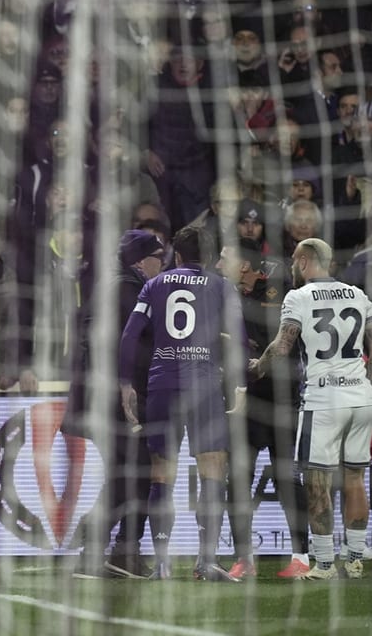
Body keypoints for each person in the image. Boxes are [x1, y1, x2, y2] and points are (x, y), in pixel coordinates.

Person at [250, 237, 372, 580]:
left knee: (317, 482)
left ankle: (324, 564)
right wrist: (367, 389)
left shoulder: (298, 296)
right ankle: (353, 560)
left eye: (296, 261)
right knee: (355, 478)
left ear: (306, 261)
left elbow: (282, 346)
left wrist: (257, 367)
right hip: (361, 397)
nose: (294, 267)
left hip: (323, 399)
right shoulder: (358, 295)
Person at [118, 226, 246, 581]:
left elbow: (129, 336)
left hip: (163, 385)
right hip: (204, 387)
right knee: (213, 470)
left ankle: (161, 564)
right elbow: (239, 337)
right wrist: (240, 385)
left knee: (162, 474)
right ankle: (206, 562)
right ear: (208, 256)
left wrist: (126, 383)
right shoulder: (222, 286)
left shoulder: (154, 284)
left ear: (176, 254)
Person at [217, 238, 310, 580]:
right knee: (238, 479)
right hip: (244, 400)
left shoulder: (283, 292)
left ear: (244, 265)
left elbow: (282, 344)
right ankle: (244, 558)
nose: (217, 265)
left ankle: (301, 557)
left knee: (289, 478)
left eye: (224, 258)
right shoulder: (224, 294)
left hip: (283, 399)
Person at [76, 230, 164, 578]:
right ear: (141, 261)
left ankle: (106, 551)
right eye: (159, 257)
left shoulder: (114, 285)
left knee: (129, 474)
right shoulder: (128, 289)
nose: (165, 263)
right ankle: (113, 549)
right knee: (135, 474)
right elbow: (119, 345)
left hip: (109, 397)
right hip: (119, 400)